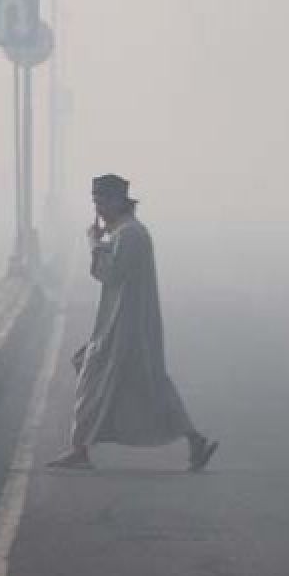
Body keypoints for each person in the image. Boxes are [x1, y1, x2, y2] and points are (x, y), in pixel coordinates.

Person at [47, 174, 218, 472]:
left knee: (95, 377)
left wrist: (93, 244)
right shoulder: (125, 233)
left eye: (102, 201)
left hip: (126, 326)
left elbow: (110, 274)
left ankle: (80, 450)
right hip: (123, 323)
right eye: (95, 201)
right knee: (147, 386)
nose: (98, 208)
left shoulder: (130, 235)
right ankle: (194, 440)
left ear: (118, 201)